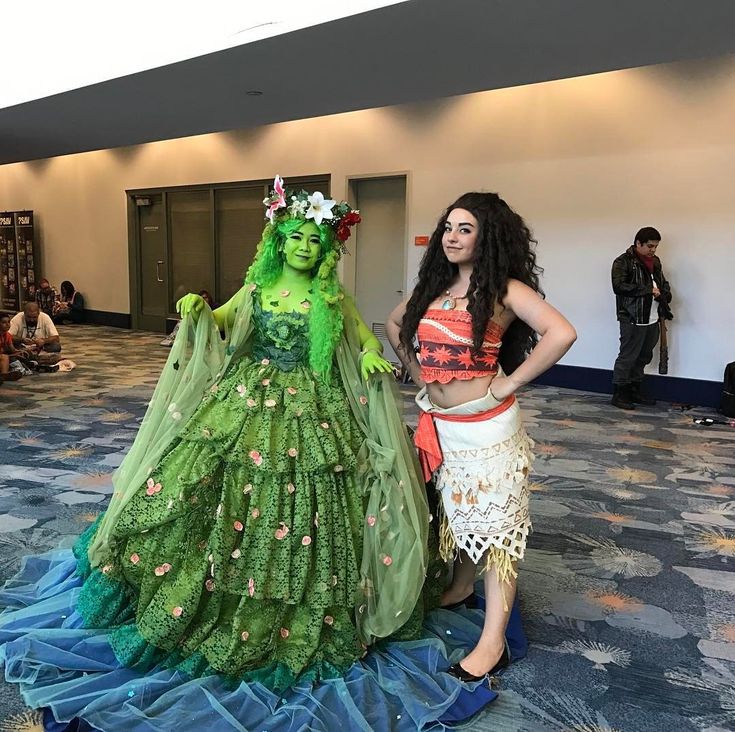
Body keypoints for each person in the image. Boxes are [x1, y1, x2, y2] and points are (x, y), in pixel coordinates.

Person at [0, 178, 496, 730]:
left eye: (315, 241)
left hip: (314, 406)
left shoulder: (332, 298)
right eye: (296, 238)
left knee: (315, 494)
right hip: (245, 400)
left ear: (327, 249)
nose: (305, 248)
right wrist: (197, 307)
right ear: (279, 241)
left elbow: (364, 336)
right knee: (199, 485)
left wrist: (373, 357)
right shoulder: (256, 290)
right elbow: (221, 321)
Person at [387, 191, 576, 682]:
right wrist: (417, 371)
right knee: (457, 512)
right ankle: (460, 587)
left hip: (488, 429)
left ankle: (492, 644)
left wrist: (508, 383)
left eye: (465, 228)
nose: (452, 236)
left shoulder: (504, 289)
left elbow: (561, 332)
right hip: (442, 424)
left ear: (487, 236)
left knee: (498, 534)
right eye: (449, 226)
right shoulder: (435, 284)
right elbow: (394, 323)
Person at [610, 227, 673, 410]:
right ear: (638, 243)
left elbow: (662, 282)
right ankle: (620, 393)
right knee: (628, 356)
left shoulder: (655, 261)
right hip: (632, 317)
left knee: (644, 356)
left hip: (653, 316)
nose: (653, 250)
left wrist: (665, 294)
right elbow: (619, 286)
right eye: (650, 246)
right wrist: (648, 290)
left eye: (656, 246)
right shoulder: (623, 261)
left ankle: (634, 390)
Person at [0, 313, 23, 383]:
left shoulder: (7, 335)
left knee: (22, 355)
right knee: (4, 357)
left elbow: (13, 350)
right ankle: (4, 375)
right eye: (4, 322)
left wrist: (22, 351)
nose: (7, 324)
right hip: (3, 357)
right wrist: (13, 355)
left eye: (8, 322)